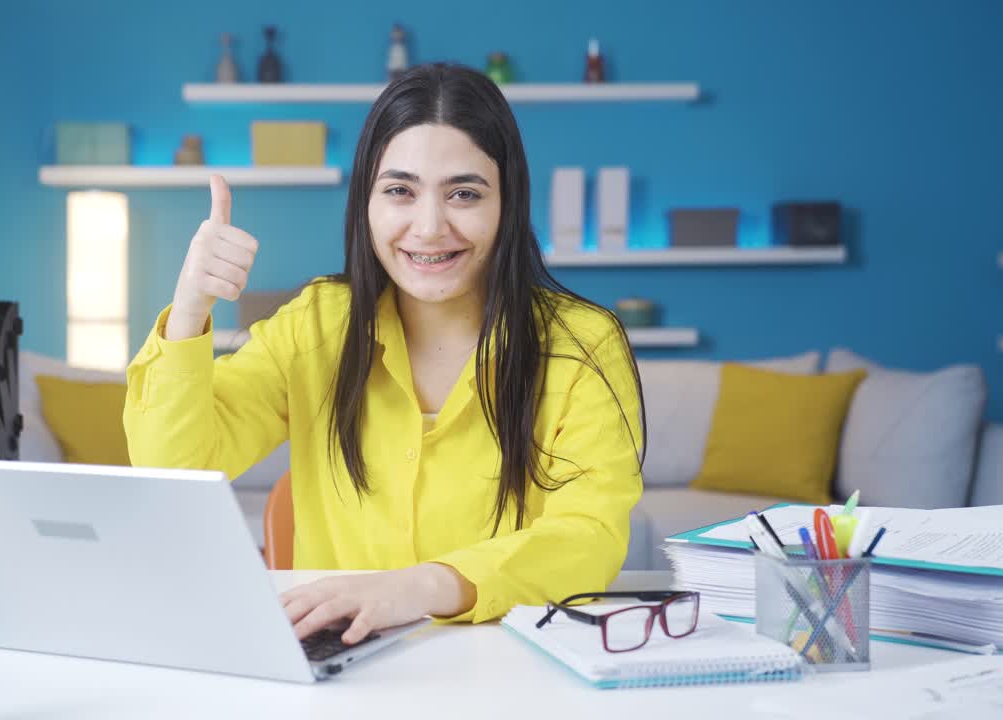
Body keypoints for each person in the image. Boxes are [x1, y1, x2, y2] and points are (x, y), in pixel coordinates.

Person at [124, 63, 644, 647]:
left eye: (464, 194)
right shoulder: (315, 326)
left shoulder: (582, 346)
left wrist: (418, 589)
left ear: (508, 203)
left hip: (513, 660)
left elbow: (589, 537)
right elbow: (176, 467)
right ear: (366, 203)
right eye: (400, 190)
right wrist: (190, 306)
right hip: (342, 665)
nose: (428, 227)